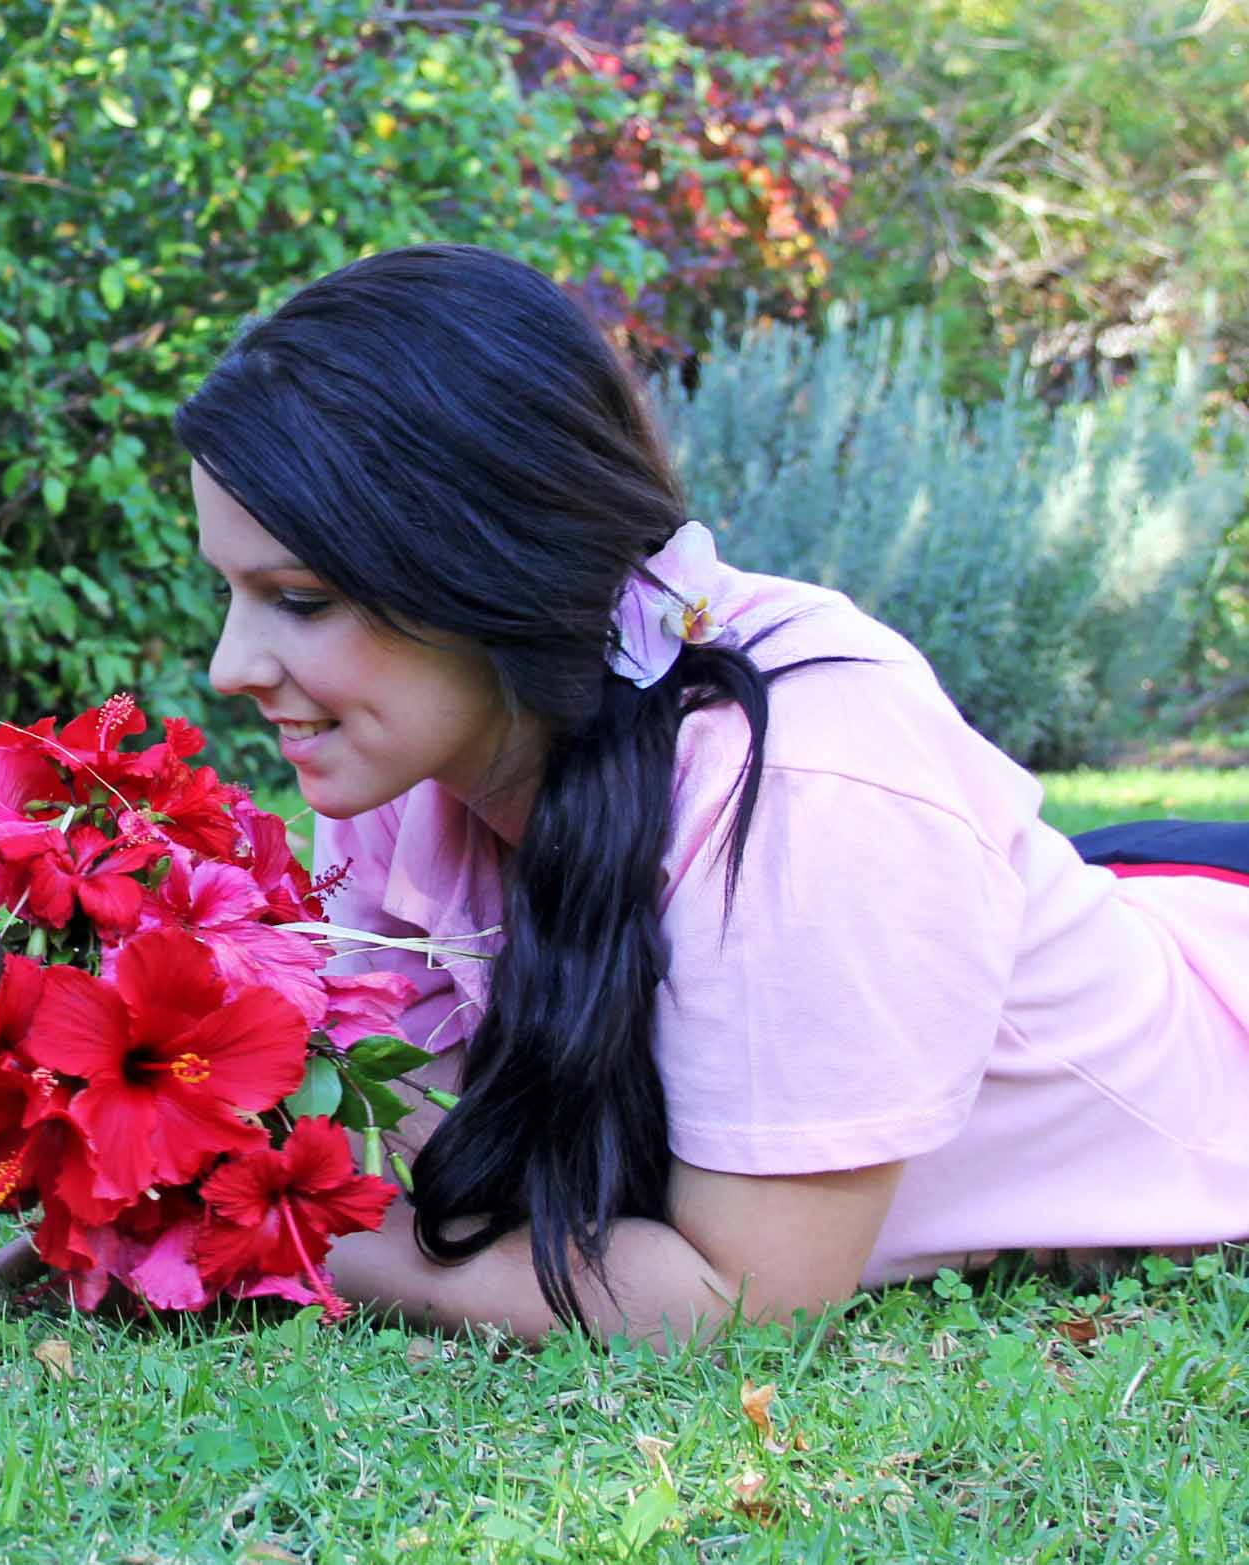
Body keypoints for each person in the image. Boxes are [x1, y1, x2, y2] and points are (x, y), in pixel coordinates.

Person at [166, 242, 1249, 1348]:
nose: (229, 665)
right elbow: (422, 1169)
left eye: (300, 598)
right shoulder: (402, 759)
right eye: (233, 591)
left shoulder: (809, 790)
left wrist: (268, 1241)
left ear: (485, 565)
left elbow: (744, 1298)